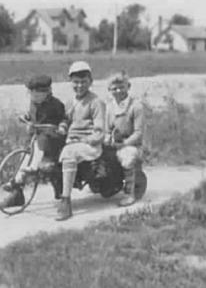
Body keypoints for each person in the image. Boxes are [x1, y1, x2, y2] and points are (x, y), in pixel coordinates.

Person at [0, 74, 67, 207]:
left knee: (40, 145)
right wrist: (25, 117)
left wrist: (62, 126)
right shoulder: (34, 102)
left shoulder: (56, 105)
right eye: (31, 95)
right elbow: (31, 114)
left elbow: (63, 118)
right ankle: (16, 181)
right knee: (26, 155)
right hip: (36, 136)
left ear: (47, 92)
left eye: (37, 95)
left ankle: (34, 166)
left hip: (52, 139)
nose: (34, 98)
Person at [56, 61, 106, 221]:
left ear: (90, 82)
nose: (79, 86)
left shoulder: (96, 102)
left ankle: (65, 201)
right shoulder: (71, 102)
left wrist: (83, 139)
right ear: (70, 82)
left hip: (90, 145)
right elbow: (66, 119)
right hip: (72, 142)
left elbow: (99, 132)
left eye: (84, 82)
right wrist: (62, 127)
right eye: (76, 82)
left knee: (69, 153)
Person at [104, 71, 144, 207]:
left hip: (131, 144)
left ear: (128, 86)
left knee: (127, 157)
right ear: (109, 90)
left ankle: (129, 194)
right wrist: (108, 138)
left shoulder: (135, 106)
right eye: (114, 88)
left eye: (121, 87)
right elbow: (107, 129)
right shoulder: (109, 107)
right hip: (115, 142)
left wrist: (124, 143)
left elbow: (138, 133)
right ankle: (105, 184)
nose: (118, 90)